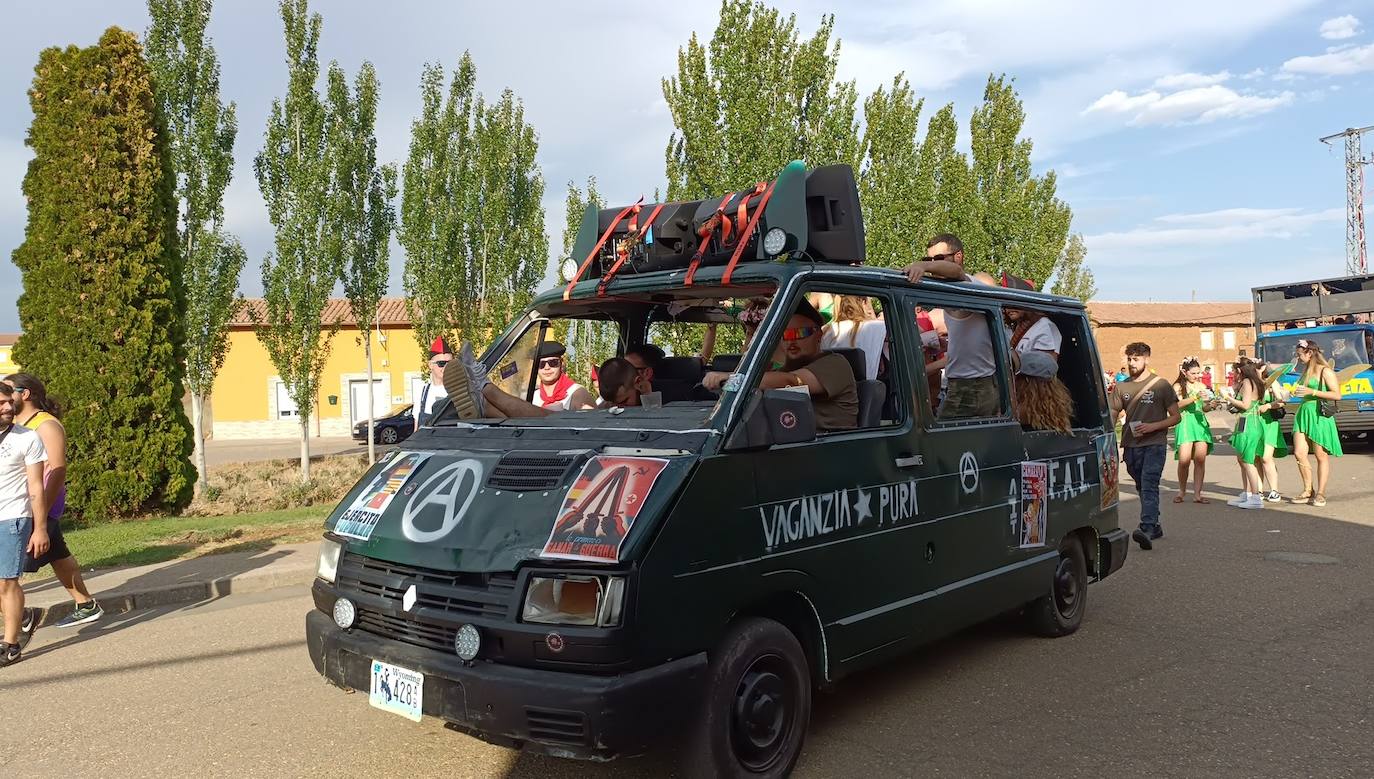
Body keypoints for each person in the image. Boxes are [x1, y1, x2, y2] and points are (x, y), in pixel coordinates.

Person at [4, 374, 102, 638]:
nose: (3, 395)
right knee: (55, 551)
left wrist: (42, 510)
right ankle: (85, 603)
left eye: (9, 390)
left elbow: (57, 470)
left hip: (42, 502)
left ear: (25, 394)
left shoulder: (46, 425)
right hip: (20, 504)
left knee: (9, 571)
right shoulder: (17, 424)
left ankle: (21, 615)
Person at [702, 300, 858, 430]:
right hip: (789, 446)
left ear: (818, 334)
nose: (792, 341)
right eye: (785, 335)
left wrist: (731, 378)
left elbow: (792, 382)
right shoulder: (782, 368)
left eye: (800, 333)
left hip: (827, 450)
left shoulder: (835, 364)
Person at [902, 234, 1000, 419]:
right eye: (928, 259)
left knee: (942, 444)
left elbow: (956, 272)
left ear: (958, 257)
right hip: (969, 384)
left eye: (939, 259)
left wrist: (922, 265)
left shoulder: (968, 286)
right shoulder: (951, 294)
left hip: (972, 386)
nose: (933, 265)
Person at [1109, 342, 1181, 551]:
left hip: (1155, 444)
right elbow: (1112, 415)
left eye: (1136, 359)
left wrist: (1153, 427)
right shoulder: (1121, 387)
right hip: (1131, 446)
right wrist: (1106, 436)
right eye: (1130, 359)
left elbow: (1176, 416)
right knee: (1141, 485)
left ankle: (1147, 527)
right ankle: (1155, 525)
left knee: (1149, 483)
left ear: (1146, 359)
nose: (1132, 363)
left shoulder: (1161, 385)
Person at [0, 383, 49, 667]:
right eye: (2, 403)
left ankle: (11, 644)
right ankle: (22, 615)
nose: (8, 407)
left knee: (7, 582)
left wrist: (40, 527)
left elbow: (36, 487)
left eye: (10, 402)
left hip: (13, 517)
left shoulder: (27, 438)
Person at [1288, 339, 1343, 506]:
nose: (1298, 358)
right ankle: (1307, 489)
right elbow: (1299, 390)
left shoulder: (1324, 371)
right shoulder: (1304, 372)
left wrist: (1313, 391)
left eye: (1299, 355)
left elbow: (1337, 395)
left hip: (1318, 413)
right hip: (1303, 412)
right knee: (1299, 453)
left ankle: (1321, 493)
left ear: (1309, 353)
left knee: (1320, 455)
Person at [1005, 307, 1073, 434]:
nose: (1008, 309)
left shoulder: (1045, 326)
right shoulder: (1017, 328)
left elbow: (1045, 365)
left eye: (1013, 303)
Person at [1222, 358, 1271, 510]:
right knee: (1242, 459)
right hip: (1247, 422)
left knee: (1248, 460)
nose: (1233, 374)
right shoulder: (1254, 382)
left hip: (1249, 423)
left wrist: (1227, 397)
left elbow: (1245, 404)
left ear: (1240, 371)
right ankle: (1247, 493)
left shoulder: (1247, 383)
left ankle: (1255, 496)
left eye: (1234, 371)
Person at [1171, 357, 1215, 504]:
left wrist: (1211, 405)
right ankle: (1182, 491)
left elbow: (1204, 408)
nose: (1197, 376)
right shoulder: (1178, 387)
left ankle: (1197, 494)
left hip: (1199, 422)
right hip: (1185, 422)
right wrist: (1194, 397)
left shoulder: (1202, 385)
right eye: (1194, 373)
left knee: (1200, 459)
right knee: (1184, 460)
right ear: (1184, 372)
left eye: (1198, 373)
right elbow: (1176, 405)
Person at [821, 294, 887, 380]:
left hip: (833, 389)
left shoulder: (825, 331)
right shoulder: (880, 328)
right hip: (868, 389)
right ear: (863, 302)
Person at [529, 341, 595, 411]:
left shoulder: (578, 393)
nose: (547, 368)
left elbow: (592, 421)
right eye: (541, 364)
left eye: (553, 362)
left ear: (561, 364)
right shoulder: (532, 396)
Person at [1256, 366, 1290, 502]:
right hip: (1254, 423)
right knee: (1256, 457)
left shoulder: (1271, 382)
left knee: (1266, 457)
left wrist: (1269, 406)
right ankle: (1258, 490)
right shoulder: (1249, 383)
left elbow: (1281, 401)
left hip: (1269, 423)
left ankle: (1274, 490)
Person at [414, 337, 452, 431]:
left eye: (450, 363)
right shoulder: (422, 393)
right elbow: (416, 429)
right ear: (430, 365)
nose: (446, 367)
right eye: (441, 363)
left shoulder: (459, 390)